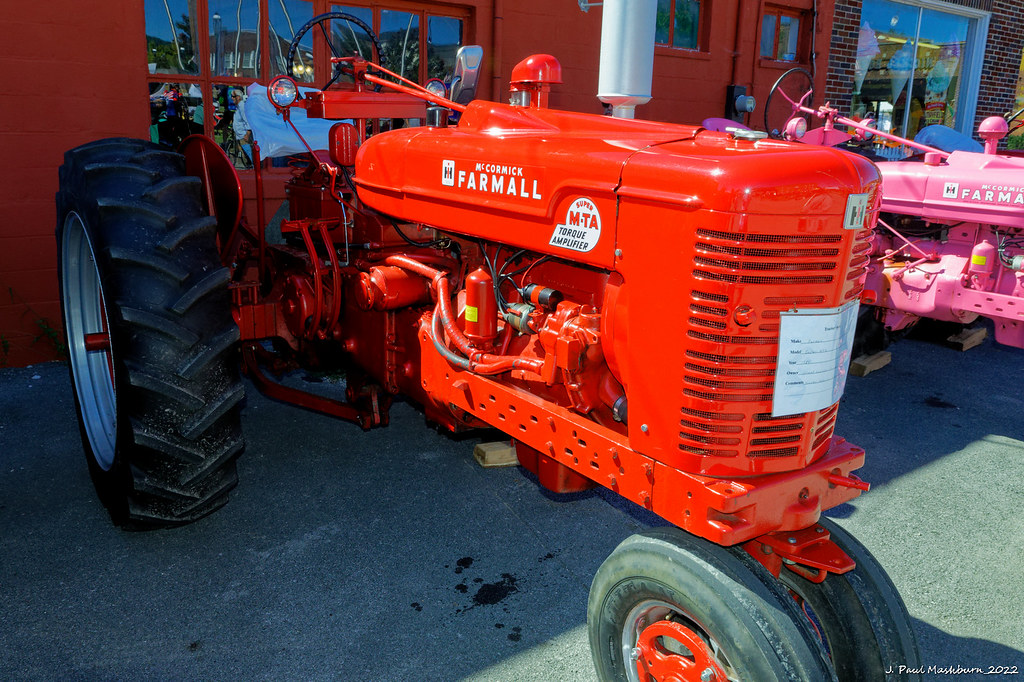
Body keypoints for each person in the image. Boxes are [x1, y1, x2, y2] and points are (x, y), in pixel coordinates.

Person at [231, 88, 254, 166]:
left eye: (233, 96)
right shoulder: (238, 107)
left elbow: (247, 120)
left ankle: (253, 168)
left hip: (243, 136)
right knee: (245, 156)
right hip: (240, 135)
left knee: (249, 155)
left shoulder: (242, 107)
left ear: (239, 97)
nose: (232, 98)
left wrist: (247, 134)